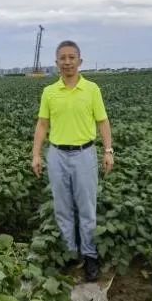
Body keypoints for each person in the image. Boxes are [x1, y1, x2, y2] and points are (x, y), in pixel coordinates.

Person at [32, 40, 114, 282]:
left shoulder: (92, 90)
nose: (67, 62)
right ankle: (70, 252)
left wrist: (108, 150)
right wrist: (36, 154)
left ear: (80, 61)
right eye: (62, 58)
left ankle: (89, 256)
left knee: (87, 208)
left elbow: (103, 121)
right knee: (62, 208)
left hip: (84, 154)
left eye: (71, 57)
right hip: (57, 155)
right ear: (57, 63)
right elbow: (42, 124)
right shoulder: (49, 92)